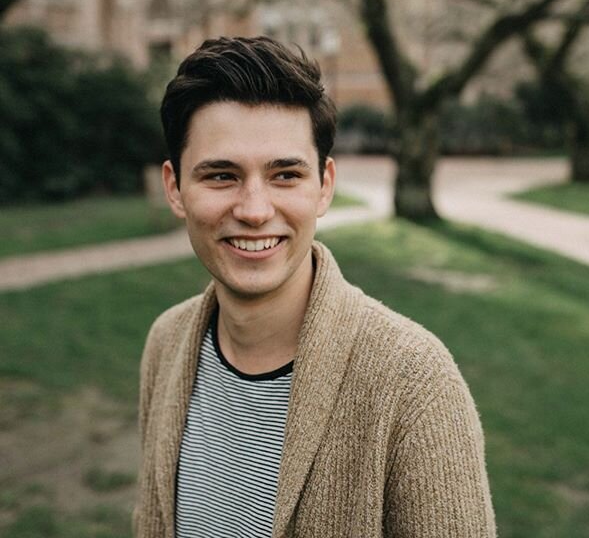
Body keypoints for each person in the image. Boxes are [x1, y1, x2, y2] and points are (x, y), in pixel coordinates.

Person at [135, 36, 496, 538]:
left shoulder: (416, 385)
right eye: (221, 176)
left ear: (324, 185)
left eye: (285, 175)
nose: (255, 210)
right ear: (175, 188)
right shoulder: (166, 344)